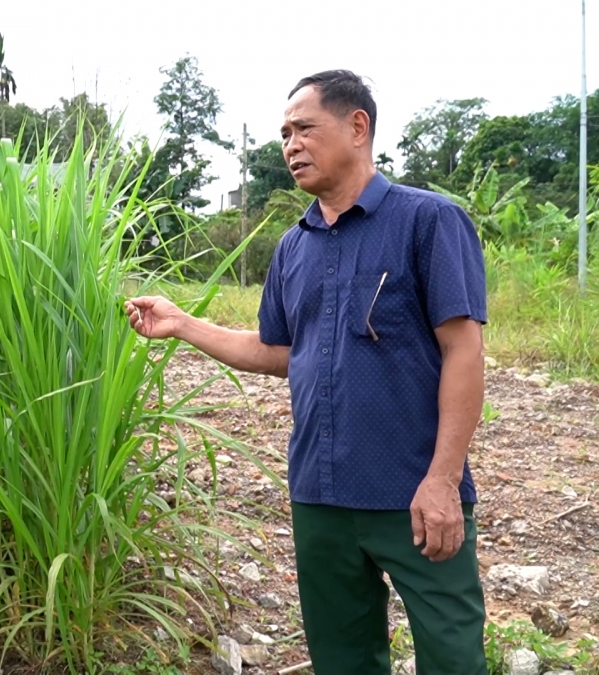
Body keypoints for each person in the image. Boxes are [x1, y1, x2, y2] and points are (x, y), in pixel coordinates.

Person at [126, 70, 488, 675]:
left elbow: (464, 350)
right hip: (320, 496)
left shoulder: (427, 222)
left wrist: (443, 481)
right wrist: (183, 323)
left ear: (357, 126)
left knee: (452, 657)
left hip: (415, 494)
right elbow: (276, 351)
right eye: (284, 134)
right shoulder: (294, 246)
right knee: (342, 659)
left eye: (304, 129)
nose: (290, 145)